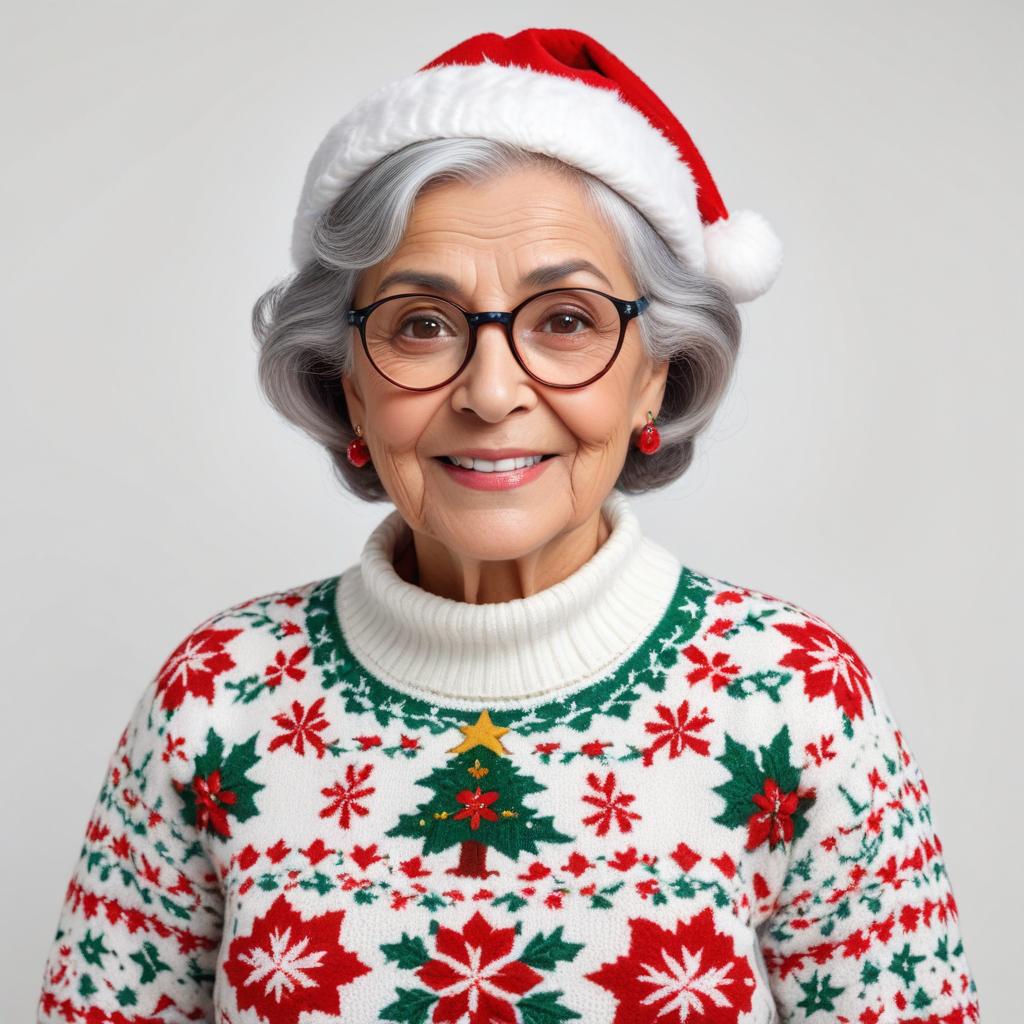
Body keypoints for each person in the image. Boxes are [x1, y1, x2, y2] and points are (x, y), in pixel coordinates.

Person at [37, 27, 980, 1024]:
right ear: (346, 381)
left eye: (565, 320)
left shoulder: (796, 702)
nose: (490, 392)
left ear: (654, 369)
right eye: (421, 323)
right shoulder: (213, 702)